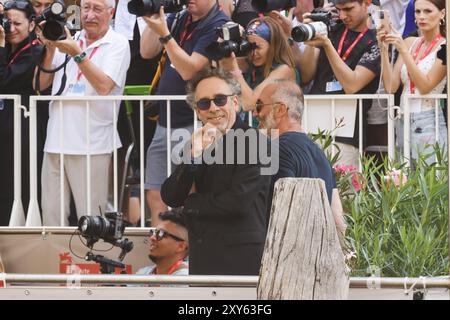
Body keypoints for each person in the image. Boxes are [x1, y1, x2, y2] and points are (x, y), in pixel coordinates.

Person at [161, 67, 271, 275]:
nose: (213, 108)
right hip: (203, 258)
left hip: (241, 261)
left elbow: (238, 201)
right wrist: (192, 157)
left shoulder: (258, 143)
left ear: (235, 103)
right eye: (204, 103)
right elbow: (171, 196)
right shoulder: (196, 143)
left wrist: (192, 203)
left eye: (220, 99)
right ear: (197, 112)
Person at [34, 0, 131, 226]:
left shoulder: (118, 43)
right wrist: (50, 47)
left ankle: (94, 262)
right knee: (50, 215)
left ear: (111, 12)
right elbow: (40, 84)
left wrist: (77, 54)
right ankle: (54, 262)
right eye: (85, 8)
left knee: (91, 219)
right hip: (55, 140)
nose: (89, 15)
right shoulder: (69, 37)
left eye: (97, 9)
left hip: (92, 143)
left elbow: (104, 86)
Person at [139, 0, 229, 226]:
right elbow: (146, 51)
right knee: (154, 190)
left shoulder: (218, 23)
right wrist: (152, 20)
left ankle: (185, 250)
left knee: (187, 190)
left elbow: (189, 69)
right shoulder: (179, 17)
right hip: (165, 119)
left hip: (195, 121)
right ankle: (161, 242)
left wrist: (166, 36)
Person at [254, 79, 347, 236]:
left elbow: (279, 214)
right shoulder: (322, 156)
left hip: (285, 254)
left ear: (280, 109)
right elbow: (338, 220)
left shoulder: (275, 151)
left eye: (259, 105)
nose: (255, 113)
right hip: (318, 253)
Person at [297, 0, 381, 168]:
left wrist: (327, 45)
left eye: (349, 9)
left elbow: (352, 85)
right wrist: (312, 37)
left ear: (366, 4)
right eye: (339, 10)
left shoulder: (377, 40)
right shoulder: (333, 28)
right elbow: (306, 75)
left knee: (345, 193)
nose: (343, 16)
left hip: (347, 133)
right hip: (313, 123)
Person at [377, 0, 447, 162]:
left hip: (428, 119)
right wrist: (384, 48)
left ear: (442, 14)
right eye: (418, 11)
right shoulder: (409, 42)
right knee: (404, 182)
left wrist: (403, 51)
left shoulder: (445, 46)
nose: (421, 17)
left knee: (430, 181)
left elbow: (425, 86)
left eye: (428, 11)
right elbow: (391, 87)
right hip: (402, 117)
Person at [0, 0, 44, 225]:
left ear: (31, 24)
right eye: (7, 23)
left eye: (17, 23)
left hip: (24, 133)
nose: (11, 29)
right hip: (6, 130)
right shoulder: (7, 47)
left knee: (17, 185)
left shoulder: (36, 50)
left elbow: (4, 81)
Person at [220, 16, 300, 114]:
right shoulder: (249, 62)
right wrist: (226, 39)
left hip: (275, 127)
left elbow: (249, 104)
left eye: (257, 47)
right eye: (250, 46)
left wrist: (236, 72)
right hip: (252, 128)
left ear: (273, 45)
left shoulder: (285, 70)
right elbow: (222, 64)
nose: (253, 53)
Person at [136, 208, 189, 276]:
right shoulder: (143, 273)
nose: (152, 237)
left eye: (161, 233)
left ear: (181, 247)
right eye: (154, 232)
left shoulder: (185, 279)